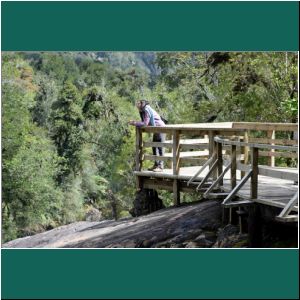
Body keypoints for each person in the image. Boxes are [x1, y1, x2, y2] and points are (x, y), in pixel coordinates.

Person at [129, 100, 166, 172]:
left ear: (142, 104)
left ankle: (160, 166)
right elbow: (144, 122)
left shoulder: (146, 109)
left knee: (160, 147)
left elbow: (145, 123)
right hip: (156, 129)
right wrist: (136, 122)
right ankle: (156, 165)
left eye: (138, 104)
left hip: (160, 128)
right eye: (136, 104)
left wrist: (134, 123)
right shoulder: (142, 110)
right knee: (154, 147)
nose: (137, 105)